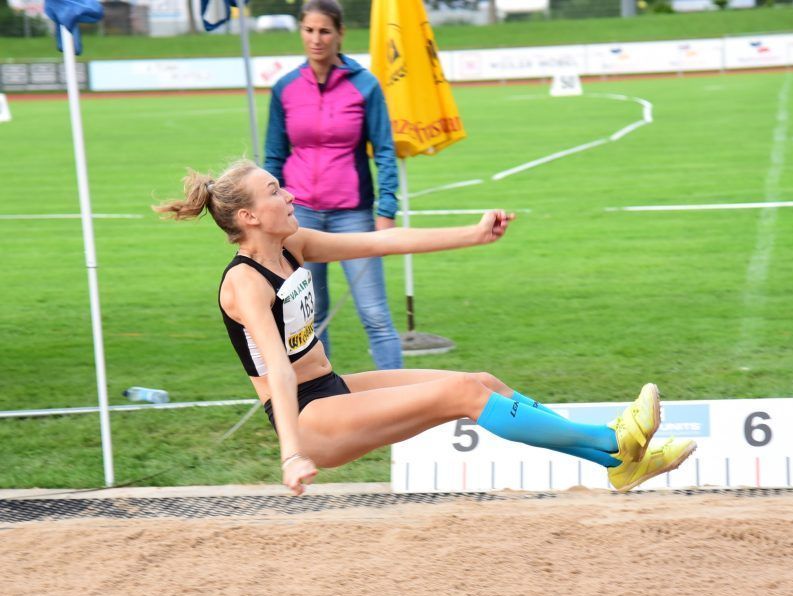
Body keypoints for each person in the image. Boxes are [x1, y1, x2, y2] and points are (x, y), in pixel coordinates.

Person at [154, 160, 696, 495]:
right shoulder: (244, 283)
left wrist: (474, 235)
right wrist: (292, 454)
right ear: (248, 216)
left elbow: (381, 242)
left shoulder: (291, 245)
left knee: (480, 381)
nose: (289, 194)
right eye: (274, 191)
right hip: (308, 420)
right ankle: (614, 439)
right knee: (461, 394)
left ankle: (622, 464)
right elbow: (275, 368)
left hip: (330, 390)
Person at [264, 0, 402, 369]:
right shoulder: (285, 89)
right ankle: (323, 402)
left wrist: (386, 211)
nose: (316, 39)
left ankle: (402, 403)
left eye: (325, 31)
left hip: (353, 215)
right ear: (301, 32)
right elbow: (273, 159)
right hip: (301, 216)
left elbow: (385, 151)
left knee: (374, 313)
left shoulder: (365, 86)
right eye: (309, 30)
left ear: (340, 34)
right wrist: (267, 215)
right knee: (311, 318)